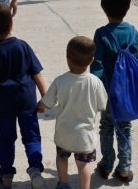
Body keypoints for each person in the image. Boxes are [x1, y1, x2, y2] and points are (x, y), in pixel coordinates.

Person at [0, 2, 47, 189]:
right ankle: (35, 171)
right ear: (11, 23)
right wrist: (46, 99)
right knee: (32, 137)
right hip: (26, 101)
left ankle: (7, 177)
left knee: (6, 140)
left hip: (4, 105)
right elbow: (36, 74)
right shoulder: (23, 46)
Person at [38, 36, 108, 189]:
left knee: (62, 157)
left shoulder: (60, 80)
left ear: (67, 59)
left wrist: (40, 105)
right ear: (91, 61)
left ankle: (63, 183)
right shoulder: (95, 82)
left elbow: (48, 102)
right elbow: (102, 105)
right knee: (83, 164)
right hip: (84, 136)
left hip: (64, 133)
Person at [90, 0, 138, 183]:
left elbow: (97, 65)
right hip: (126, 90)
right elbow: (135, 60)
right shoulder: (134, 32)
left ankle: (107, 164)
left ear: (103, 7)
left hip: (108, 90)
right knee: (124, 125)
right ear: (128, 7)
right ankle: (125, 167)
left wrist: (95, 90)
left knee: (107, 125)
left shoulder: (101, 33)